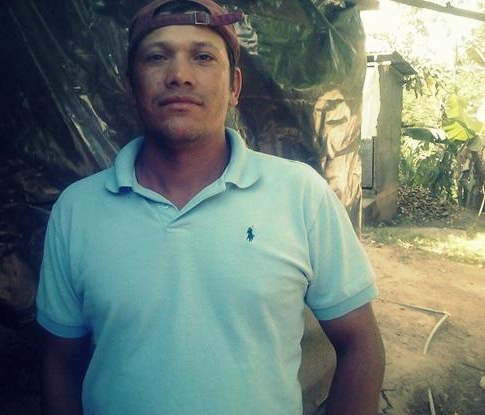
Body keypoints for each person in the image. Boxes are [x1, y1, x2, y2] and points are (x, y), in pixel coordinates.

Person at [36, 1, 385, 414]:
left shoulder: (301, 195)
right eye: (157, 57)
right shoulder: (78, 210)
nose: (179, 75)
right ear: (130, 87)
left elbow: (360, 343)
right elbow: (59, 361)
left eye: (203, 57)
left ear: (235, 86)